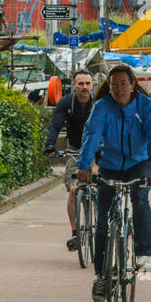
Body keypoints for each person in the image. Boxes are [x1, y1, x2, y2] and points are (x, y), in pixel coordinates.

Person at [75, 61, 151, 302]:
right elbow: (92, 134)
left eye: (123, 84)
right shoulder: (102, 107)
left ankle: (144, 255)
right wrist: (84, 166)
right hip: (110, 164)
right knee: (104, 221)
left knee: (139, 198)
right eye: (114, 84)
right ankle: (101, 276)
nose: (118, 89)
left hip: (140, 163)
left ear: (133, 84)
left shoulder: (146, 106)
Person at [43, 69, 96, 252]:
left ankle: (105, 226)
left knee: (103, 187)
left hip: (98, 151)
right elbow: (56, 125)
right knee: (74, 189)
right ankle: (75, 232)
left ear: (92, 85)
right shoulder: (66, 103)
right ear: (74, 85)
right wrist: (50, 145)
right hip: (75, 150)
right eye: (80, 84)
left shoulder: (98, 103)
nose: (84, 87)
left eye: (88, 84)